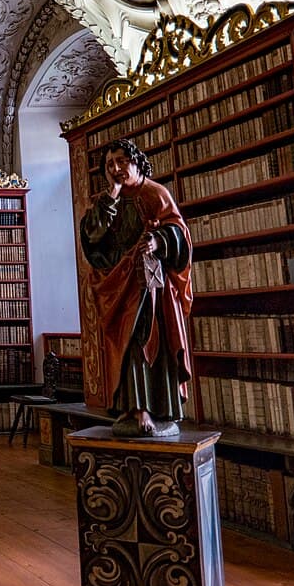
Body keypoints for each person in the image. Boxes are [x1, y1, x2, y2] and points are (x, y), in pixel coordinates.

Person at [80, 138, 192, 436]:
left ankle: (159, 410)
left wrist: (159, 241)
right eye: (109, 165)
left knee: (150, 342)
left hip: (151, 286)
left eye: (121, 162)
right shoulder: (107, 201)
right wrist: (111, 198)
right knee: (127, 347)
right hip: (120, 286)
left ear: (136, 162)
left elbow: (179, 233)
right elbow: (93, 239)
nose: (115, 169)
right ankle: (134, 408)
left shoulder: (155, 193)